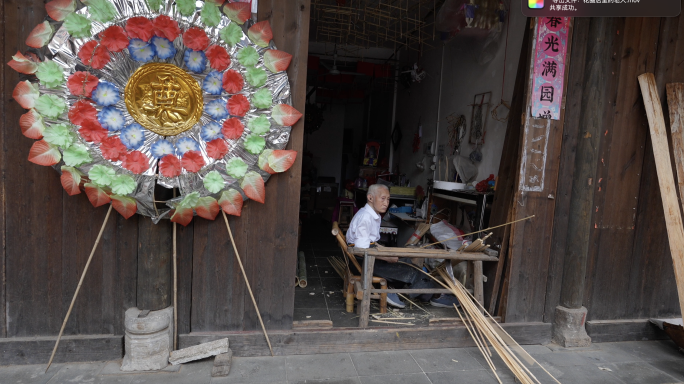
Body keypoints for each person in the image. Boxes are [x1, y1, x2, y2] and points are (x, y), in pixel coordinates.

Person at [346, 184, 460, 309]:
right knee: (410, 271)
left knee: (406, 261)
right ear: (370, 198)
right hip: (362, 262)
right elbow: (361, 250)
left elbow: (370, 242)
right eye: (382, 198)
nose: (386, 203)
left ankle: (392, 288)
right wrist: (387, 258)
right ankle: (434, 297)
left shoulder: (373, 214)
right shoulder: (365, 217)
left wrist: (385, 250)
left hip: (368, 258)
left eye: (388, 199)